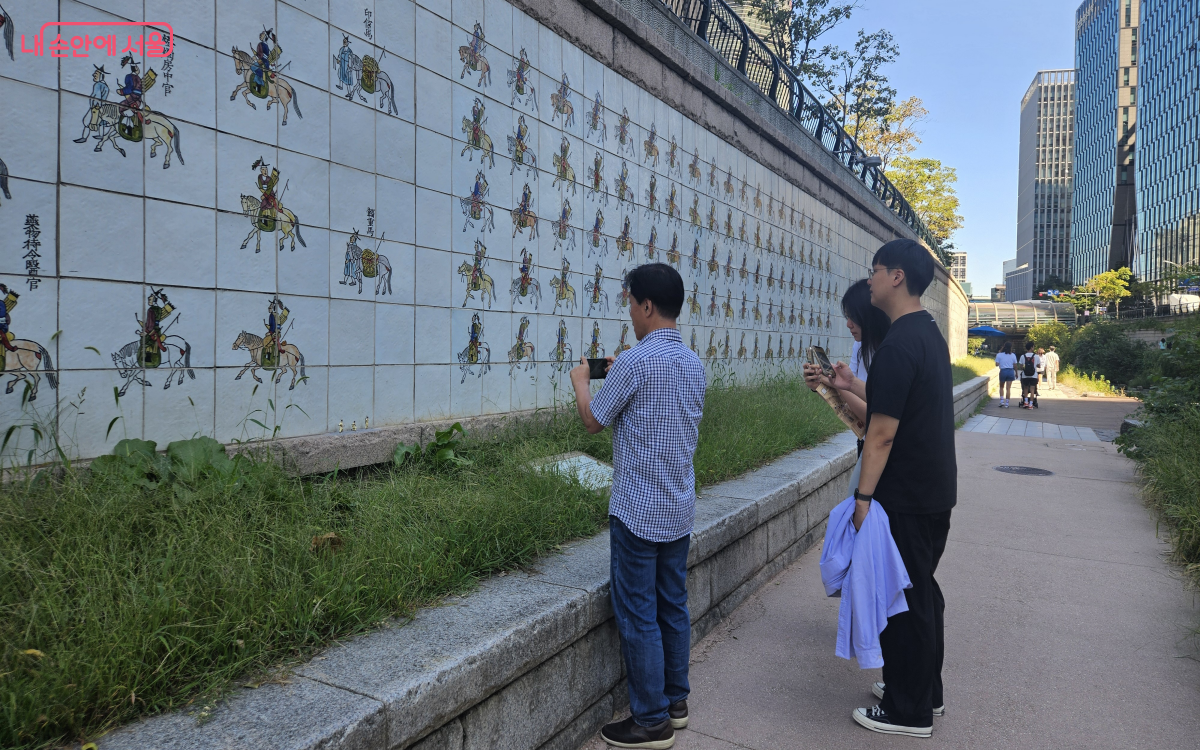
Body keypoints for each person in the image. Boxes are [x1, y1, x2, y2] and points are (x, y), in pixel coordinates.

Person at [809, 239, 956, 737]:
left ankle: (907, 711)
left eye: (874, 271)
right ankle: (922, 693)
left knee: (905, 599)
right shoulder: (924, 334)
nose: (868, 280)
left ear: (896, 276)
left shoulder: (897, 342)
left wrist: (863, 500)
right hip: (932, 490)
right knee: (921, 592)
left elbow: (883, 431)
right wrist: (848, 383)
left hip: (906, 494)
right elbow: (893, 400)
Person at [569, 263, 706, 749]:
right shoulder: (694, 364)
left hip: (637, 511)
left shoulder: (633, 363)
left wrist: (583, 380)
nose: (629, 312)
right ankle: (676, 703)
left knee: (638, 613)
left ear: (646, 306)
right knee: (673, 603)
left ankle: (650, 721)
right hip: (678, 508)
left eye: (629, 303)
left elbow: (593, 421)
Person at [804, 279, 891, 494]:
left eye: (853, 317)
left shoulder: (891, 353)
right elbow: (853, 401)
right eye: (847, 317)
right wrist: (823, 385)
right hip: (868, 444)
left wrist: (839, 385)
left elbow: (874, 417)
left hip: (889, 456)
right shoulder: (860, 347)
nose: (848, 324)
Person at [1017, 343, 1041, 409]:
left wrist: (1026, 367)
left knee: (1025, 388)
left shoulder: (1022, 356)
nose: (1033, 348)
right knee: (1032, 389)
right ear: (1031, 347)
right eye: (1033, 347)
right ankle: (1031, 404)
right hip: (1033, 375)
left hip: (1025, 375)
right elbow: (1039, 366)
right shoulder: (1036, 356)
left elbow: (1021, 366)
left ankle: (1026, 402)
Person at [994, 342, 1017, 407]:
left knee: (1001, 387)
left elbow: (997, 364)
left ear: (1004, 347)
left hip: (1003, 371)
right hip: (1010, 371)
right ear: (1011, 348)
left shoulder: (999, 355)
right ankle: (1007, 403)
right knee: (1008, 388)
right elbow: (1015, 365)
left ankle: (1001, 401)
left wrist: (1000, 351)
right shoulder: (1013, 355)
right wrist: (1016, 373)